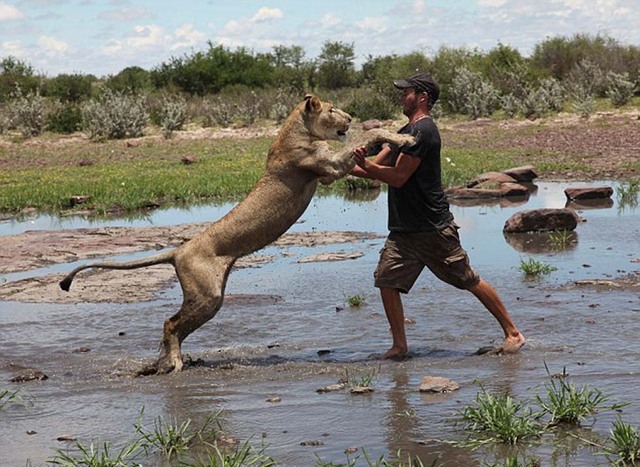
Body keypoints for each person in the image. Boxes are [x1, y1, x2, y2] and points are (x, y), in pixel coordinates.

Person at [350, 71, 526, 360]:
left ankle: (513, 332)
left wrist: (365, 166)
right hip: (404, 231)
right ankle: (399, 347)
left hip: (432, 229)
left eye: (405, 91)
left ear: (422, 97)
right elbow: (369, 169)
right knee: (386, 281)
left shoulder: (424, 132)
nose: (400, 96)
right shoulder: (403, 133)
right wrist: (336, 165)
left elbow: (397, 177)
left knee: (467, 279)